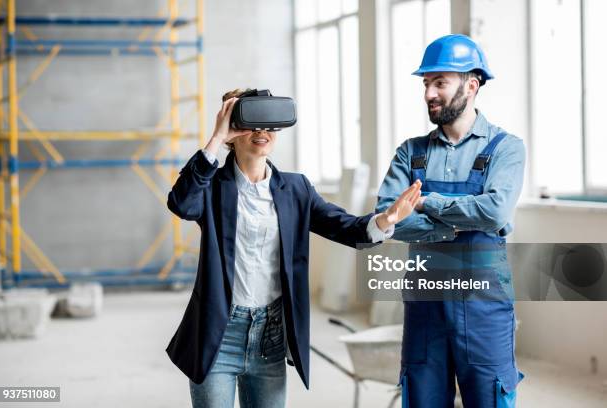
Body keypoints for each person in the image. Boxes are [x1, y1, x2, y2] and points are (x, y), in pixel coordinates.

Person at [166, 88, 423, 408]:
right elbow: (181, 203)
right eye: (251, 123)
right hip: (218, 336)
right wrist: (216, 138)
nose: (262, 132)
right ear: (233, 132)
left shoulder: (296, 188)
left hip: (271, 337)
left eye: (269, 124)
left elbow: (344, 226)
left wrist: (386, 220)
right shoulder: (212, 186)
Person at [376, 34, 526, 407]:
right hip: (425, 307)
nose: (429, 93)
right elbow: (387, 217)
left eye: (440, 82)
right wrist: (463, 219)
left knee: (490, 398)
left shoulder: (505, 148)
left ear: (471, 85)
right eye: (426, 84)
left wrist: (428, 202)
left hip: (483, 307)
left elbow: (495, 212)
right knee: (422, 399)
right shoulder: (411, 152)